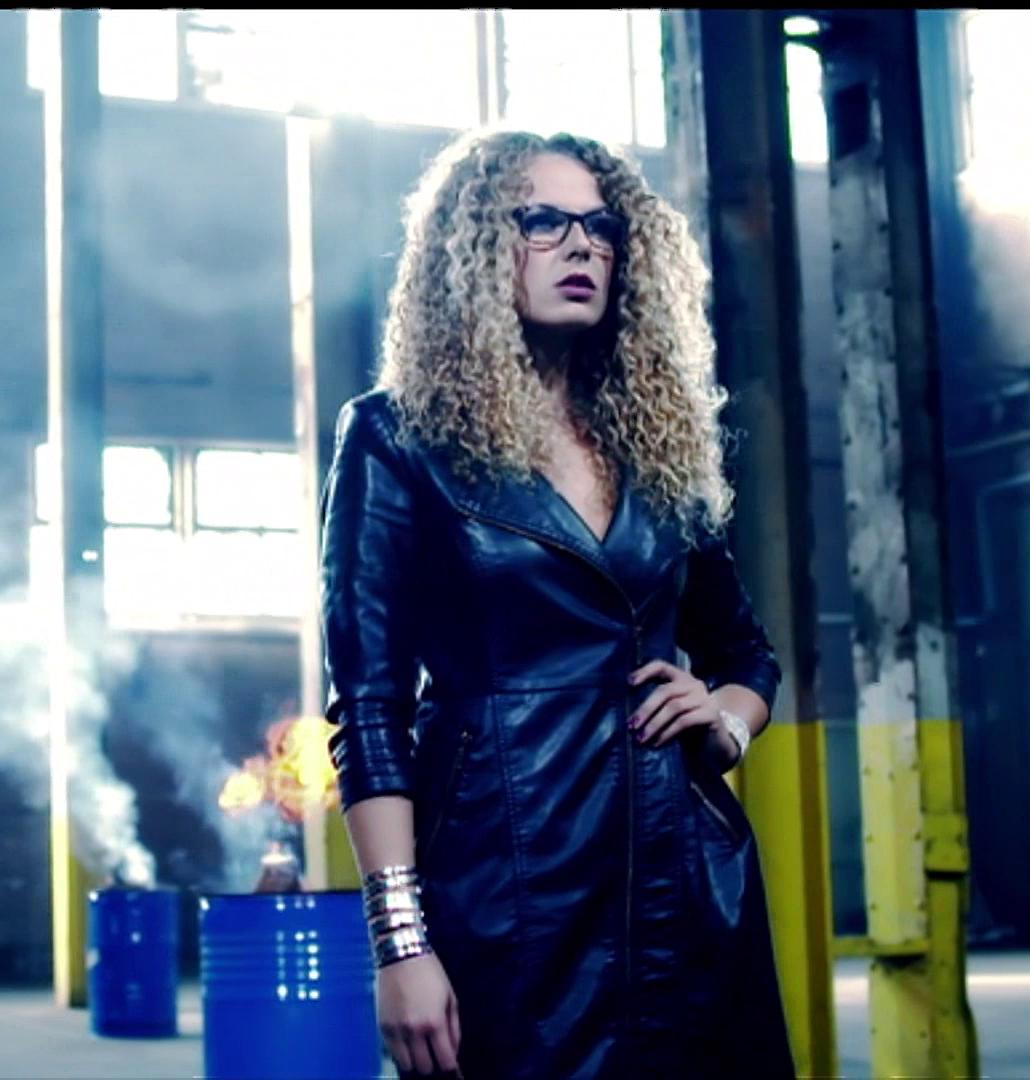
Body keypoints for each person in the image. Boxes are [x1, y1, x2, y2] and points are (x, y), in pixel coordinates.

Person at [318, 128, 796, 1079]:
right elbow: (368, 712)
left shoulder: (663, 443)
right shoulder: (394, 438)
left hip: (687, 888)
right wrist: (400, 943)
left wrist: (726, 726)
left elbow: (747, 655)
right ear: (474, 247)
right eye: (542, 221)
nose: (582, 245)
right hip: (503, 892)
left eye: (602, 227)